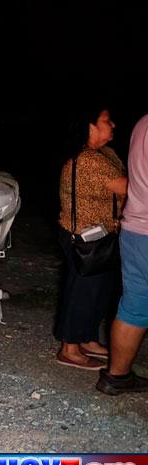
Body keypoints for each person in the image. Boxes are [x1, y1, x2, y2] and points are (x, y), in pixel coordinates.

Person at [53, 107, 128, 370]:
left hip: (102, 235)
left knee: (99, 289)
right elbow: (128, 188)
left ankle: (86, 339)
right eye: (107, 121)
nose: (113, 125)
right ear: (90, 127)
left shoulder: (103, 154)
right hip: (85, 238)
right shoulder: (88, 160)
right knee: (83, 290)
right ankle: (69, 348)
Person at [97, 113, 148, 394]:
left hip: (135, 229)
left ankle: (116, 376)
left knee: (134, 307)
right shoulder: (91, 160)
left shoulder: (142, 123)